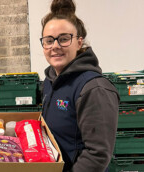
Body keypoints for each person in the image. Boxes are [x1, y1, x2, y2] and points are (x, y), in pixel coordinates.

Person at [40, 0, 119, 171]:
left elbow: (97, 155)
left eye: (64, 39)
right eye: (49, 40)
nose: (55, 46)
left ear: (79, 42)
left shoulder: (94, 88)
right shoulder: (49, 81)